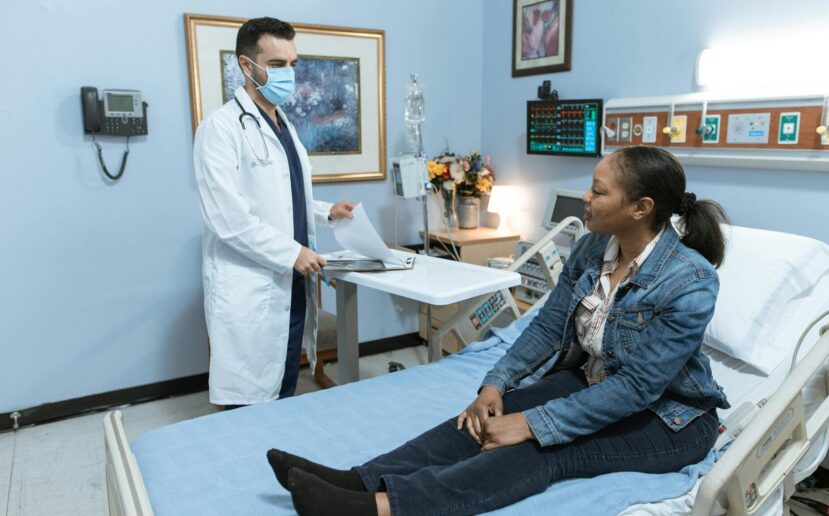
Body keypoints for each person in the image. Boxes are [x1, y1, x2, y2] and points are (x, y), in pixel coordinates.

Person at [266, 146, 731, 516]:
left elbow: (638, 386)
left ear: (640, 208)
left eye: (598, 191)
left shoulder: (689, 280)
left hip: (671, 419)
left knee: (547, 448)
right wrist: (497, 384)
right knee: (480, 422)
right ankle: (358, 479)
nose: (585, 198)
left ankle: (379, 508)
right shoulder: (594, 248)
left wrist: (532, 424)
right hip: (594, 381)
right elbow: (549, 325)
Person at [193, 17, 354, 409]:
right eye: (277, 65)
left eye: (293, 64)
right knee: (247, 403)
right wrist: (292, 253)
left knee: (284, 387)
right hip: (254, 284)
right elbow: (227, 219)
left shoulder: (286, 127)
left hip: (290, 281)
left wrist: (325, 212)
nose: (289, 74)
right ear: (247, 66)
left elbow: (285, 198)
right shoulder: (220, 129)